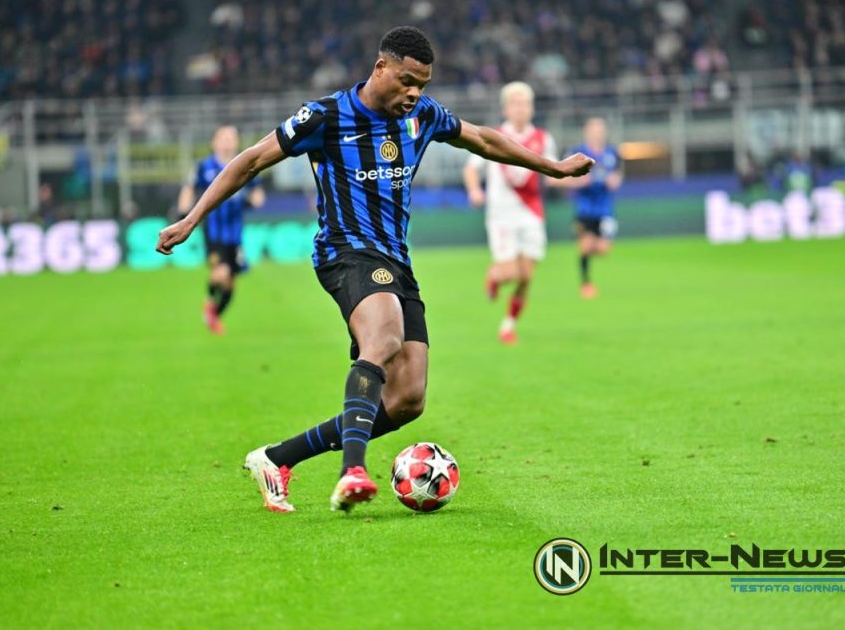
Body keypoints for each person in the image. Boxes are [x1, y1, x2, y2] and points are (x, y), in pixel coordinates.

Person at [156, 26, 593, 513]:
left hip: (396, 260)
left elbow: (484, 140)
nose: (414, 93)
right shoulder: (326, 116)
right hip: (345, 253)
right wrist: (193, 218)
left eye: (422, 85)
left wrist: (552, 168)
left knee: (408, 398)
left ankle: (277, 458)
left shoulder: (421, 117)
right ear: (380, 67)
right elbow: (252, 160)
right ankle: (353, 472)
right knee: (382, 341)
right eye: (407, 80)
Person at [462, 81, 557, 343]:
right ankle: (494, 276)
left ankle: (508, 325)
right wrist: (474, 190)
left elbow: (551, 173)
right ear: (506, 108)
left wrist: (573, 175)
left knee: (526, 276)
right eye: (515, 103)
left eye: (525, 103)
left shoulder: (543, 138)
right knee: (510, 274)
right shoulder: (493, 137)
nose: (520, 108)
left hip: (532, 214)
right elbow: (471, 168)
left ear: (532, 108)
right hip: (501, 216)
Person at [177, 125, 265, 334]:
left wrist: (253, 200)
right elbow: (189, 189)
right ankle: (209, 302)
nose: (227, 142)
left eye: (231, 138)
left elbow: (258, 194)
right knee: (221, 273)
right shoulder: (203, 167)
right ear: (214, 142)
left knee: (231, 282)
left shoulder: (246, 164)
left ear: (236, 142)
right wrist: (183, 213)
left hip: (235, 234)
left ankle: (214, 314)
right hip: (213, 233)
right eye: (223, 138)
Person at [556, 117, 622, 298]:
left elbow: (618, 175)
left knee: (603, 249)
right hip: (584, 209)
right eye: (594, 129)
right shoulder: (577, 153)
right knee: (585, 247)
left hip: (605, 210)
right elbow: (558, 178)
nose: (597, 133)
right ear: (587, 131)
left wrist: (615, 181)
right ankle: (586, 283)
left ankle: (593, 244)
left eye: (600, 129)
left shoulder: (612, 153)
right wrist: (578, 182)